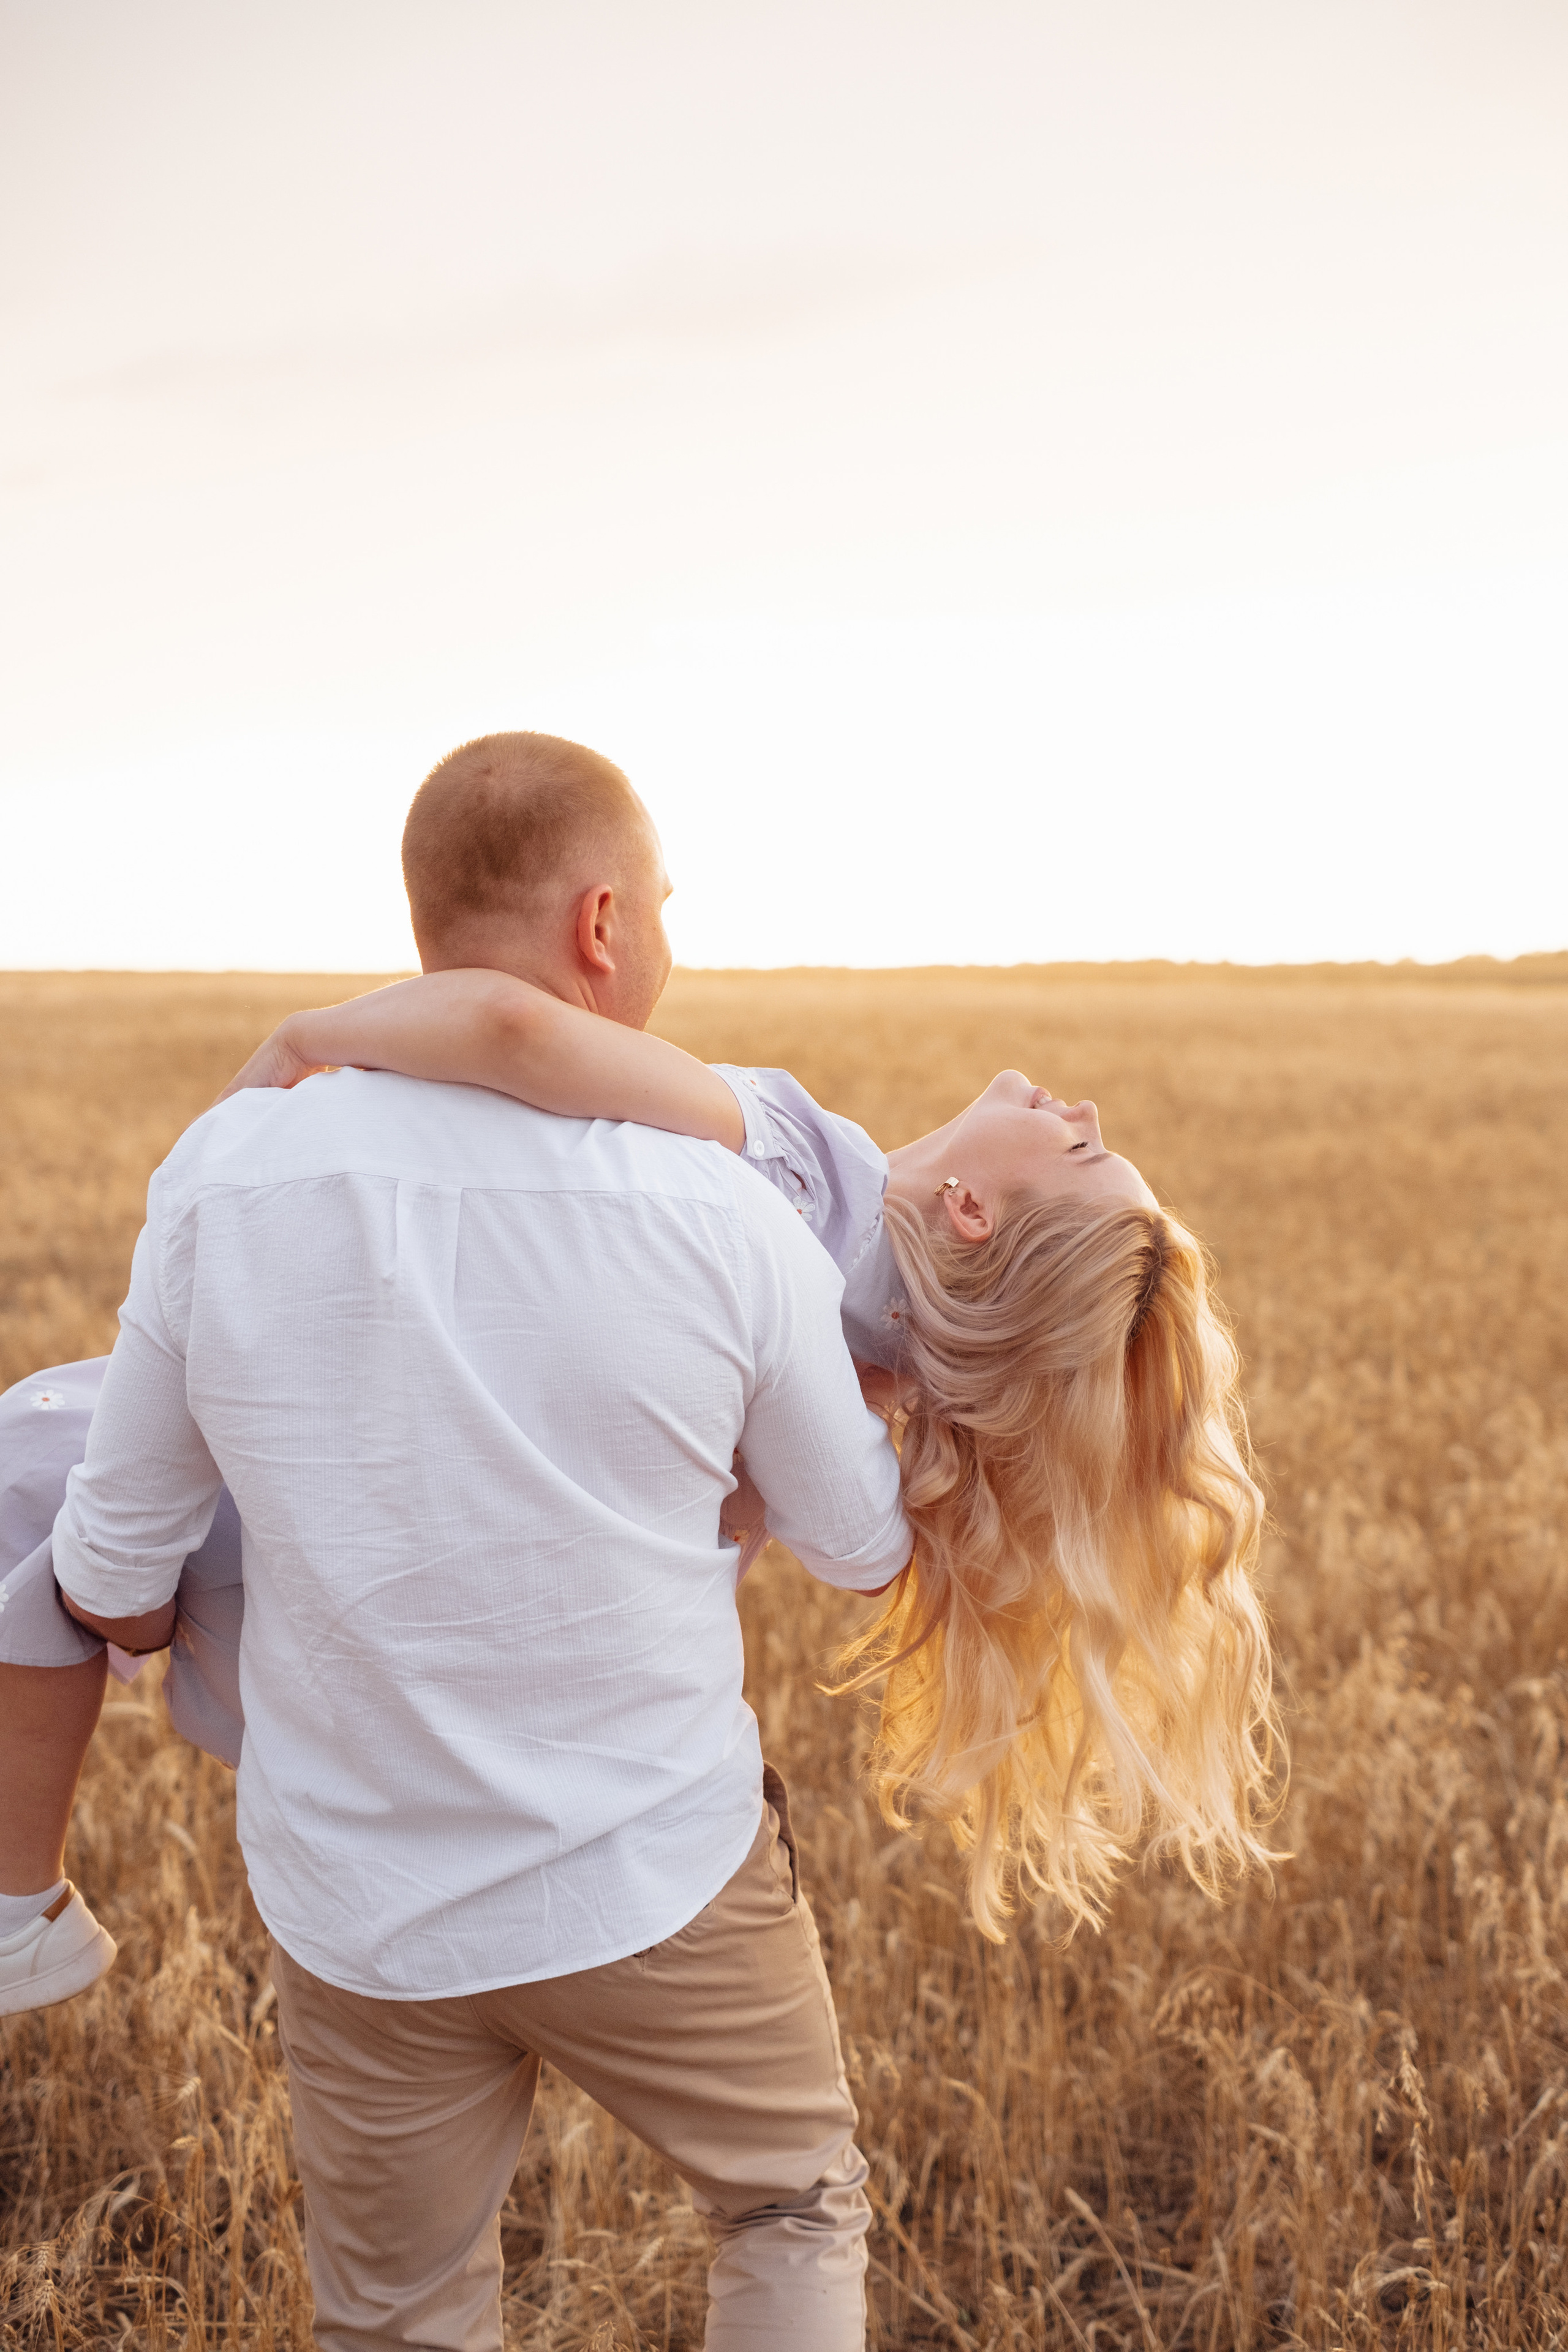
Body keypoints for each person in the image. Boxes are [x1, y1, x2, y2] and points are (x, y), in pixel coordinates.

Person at [1, 740, 1278, 2021]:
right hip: (475, 1577)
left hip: (348, 1470)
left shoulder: (785, 1164)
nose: (1085, 1111)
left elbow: (510, 1026)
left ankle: (21, 1900)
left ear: (970, 1209)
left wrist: (306, 1037)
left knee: (37, 1472)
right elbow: (829, 1524)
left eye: (1082, 1151)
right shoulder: (875, 1374)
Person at [5, 732, 914, 2352]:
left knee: (397, 2316)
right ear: (602, 923)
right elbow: (859, 1549)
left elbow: (115, 1571)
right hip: (657, 1871)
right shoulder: (720, 1207)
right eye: (665, 907)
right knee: (787, 2212)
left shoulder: (226, 1174)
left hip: (364, 1905)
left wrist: (161, 1617)